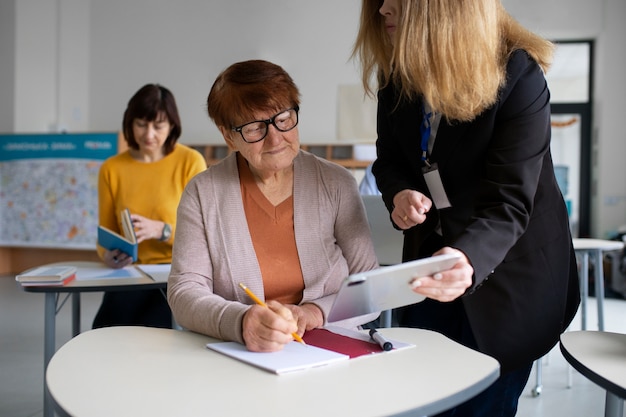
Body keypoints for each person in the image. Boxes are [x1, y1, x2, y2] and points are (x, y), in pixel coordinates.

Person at [352, 1, 580, 416]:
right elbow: (390, 160)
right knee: (429, 397)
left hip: (508, 275)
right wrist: (400, 192)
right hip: (429, 271)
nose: (383, 7)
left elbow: (509, 202)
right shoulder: (397, 76)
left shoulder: (518, 76)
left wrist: (468, 257)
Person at [167, 59, 379, 352]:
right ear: (228, 135)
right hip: (239, 353)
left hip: (331, 347)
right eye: (255, 128)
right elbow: (184, 293)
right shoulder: (203, 193)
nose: (275, 138)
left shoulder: (336, 183)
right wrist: (241, 322)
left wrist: (313, 313)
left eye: (283, 118)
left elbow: (370, 290)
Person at [93, 83, 207, 329]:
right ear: (130, 124)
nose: (149, 134)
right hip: (129, 274)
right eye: (141, 124)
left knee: (155, 332)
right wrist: (109, 255)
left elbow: (207, 237)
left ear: (172, 126)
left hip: (176, 274)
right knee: (104, 331)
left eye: (158, 126)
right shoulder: (112, 169)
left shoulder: (190, 162)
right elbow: (105, 235)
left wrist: (162, 231)